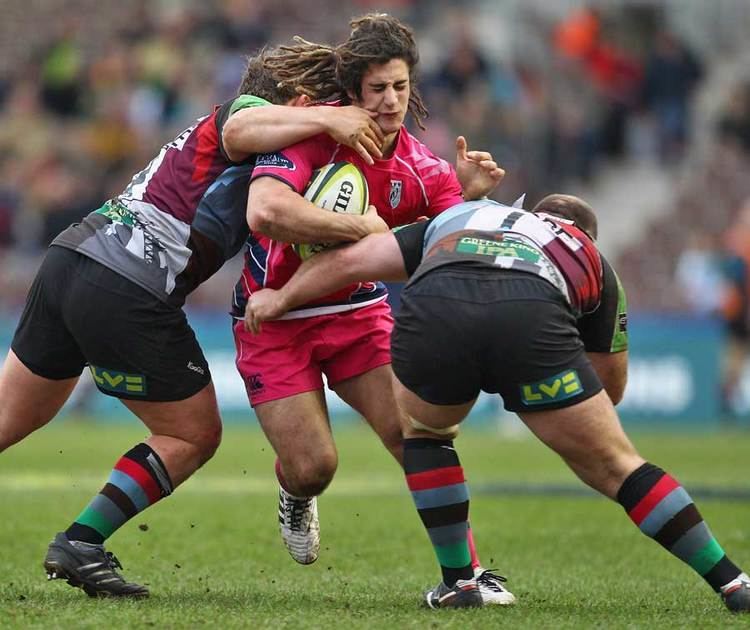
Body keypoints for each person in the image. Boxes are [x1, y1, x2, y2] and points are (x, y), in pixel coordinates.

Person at [0, 46, 387, 599]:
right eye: (333, 104)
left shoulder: (274, 156)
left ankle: (81, 543)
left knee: (7, 419)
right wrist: (329, 118)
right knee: (194, 433)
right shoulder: (248, 112)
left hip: (73, 259)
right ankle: (82, 542)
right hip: (126, 283)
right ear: (302, 101)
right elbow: (245, 123)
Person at [243, 195, 750, 613]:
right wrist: (533, 384)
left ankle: (460, 583)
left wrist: (280, 299)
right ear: (584, 231)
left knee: (424, 434)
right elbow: (609, 389)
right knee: (619, 465)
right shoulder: (588, 254)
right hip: (530, 311)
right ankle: (731, 582)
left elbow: (352, 260)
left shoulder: (462, 215)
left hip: (436, 299)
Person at [230, 13, 513, 605]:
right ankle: (294, 491)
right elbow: (264, 211)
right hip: (272, 320)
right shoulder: (311, 136)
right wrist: (362, 226)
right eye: (378, 88)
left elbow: (446, 238)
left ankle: (463, 576)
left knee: (417, 434)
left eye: (401, 87)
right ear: (355, 90)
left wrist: (466, 196)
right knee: (315, 467)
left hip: (358, 315)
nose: (390, 101)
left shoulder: (424, 168)